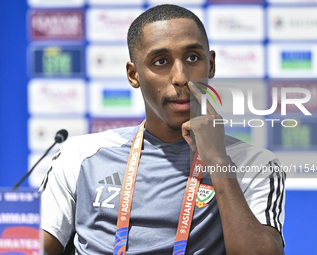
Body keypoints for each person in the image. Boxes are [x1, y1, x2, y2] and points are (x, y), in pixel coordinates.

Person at [41, 4, 285, 255]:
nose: (181, 77)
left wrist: (218, 160)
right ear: (133, 74)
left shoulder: (255, 163)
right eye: (161, 61)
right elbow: (26, 247)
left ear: (210, 65)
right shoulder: (80, 155)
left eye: (192, 58)